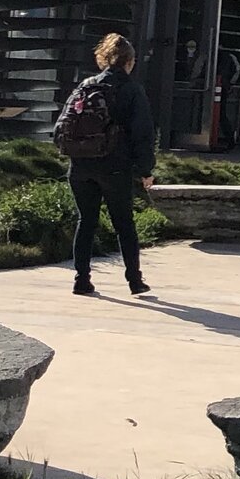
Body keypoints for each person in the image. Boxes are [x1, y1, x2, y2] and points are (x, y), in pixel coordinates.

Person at [52, 32, 157, 298]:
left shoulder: (85, 86)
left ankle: (81, 279)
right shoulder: (132, 90)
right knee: (124, 224)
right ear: (129, 62)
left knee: (86, 221)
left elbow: (60, 128)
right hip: (114, 166)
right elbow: (143, 133)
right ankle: (134, 281)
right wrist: (145, 170)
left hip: (80, 166)